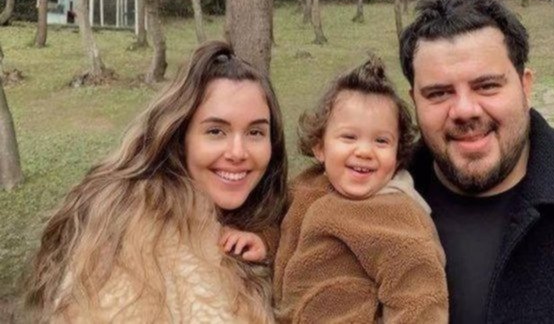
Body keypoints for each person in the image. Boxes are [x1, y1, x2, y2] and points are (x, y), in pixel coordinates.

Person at [399, 0, 554, 323]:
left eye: (487, 86)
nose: (465, 110)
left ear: (526, 87)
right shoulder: (363, 206)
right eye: (438, 93)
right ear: (415, 101)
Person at [24, 41, 288, 323]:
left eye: (255, 133)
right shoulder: (135, 233)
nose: (238, 152)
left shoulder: (271, 216)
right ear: (180, 137)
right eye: (215, 131)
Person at [270, 57, 448, 323]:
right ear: (320, 147)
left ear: (397, 155)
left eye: (381, 141)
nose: (364, 151)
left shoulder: (395, 214)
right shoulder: (307, 185)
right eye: (349, 137)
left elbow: (419, 294)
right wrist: (261, 242)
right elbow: (279, 223)